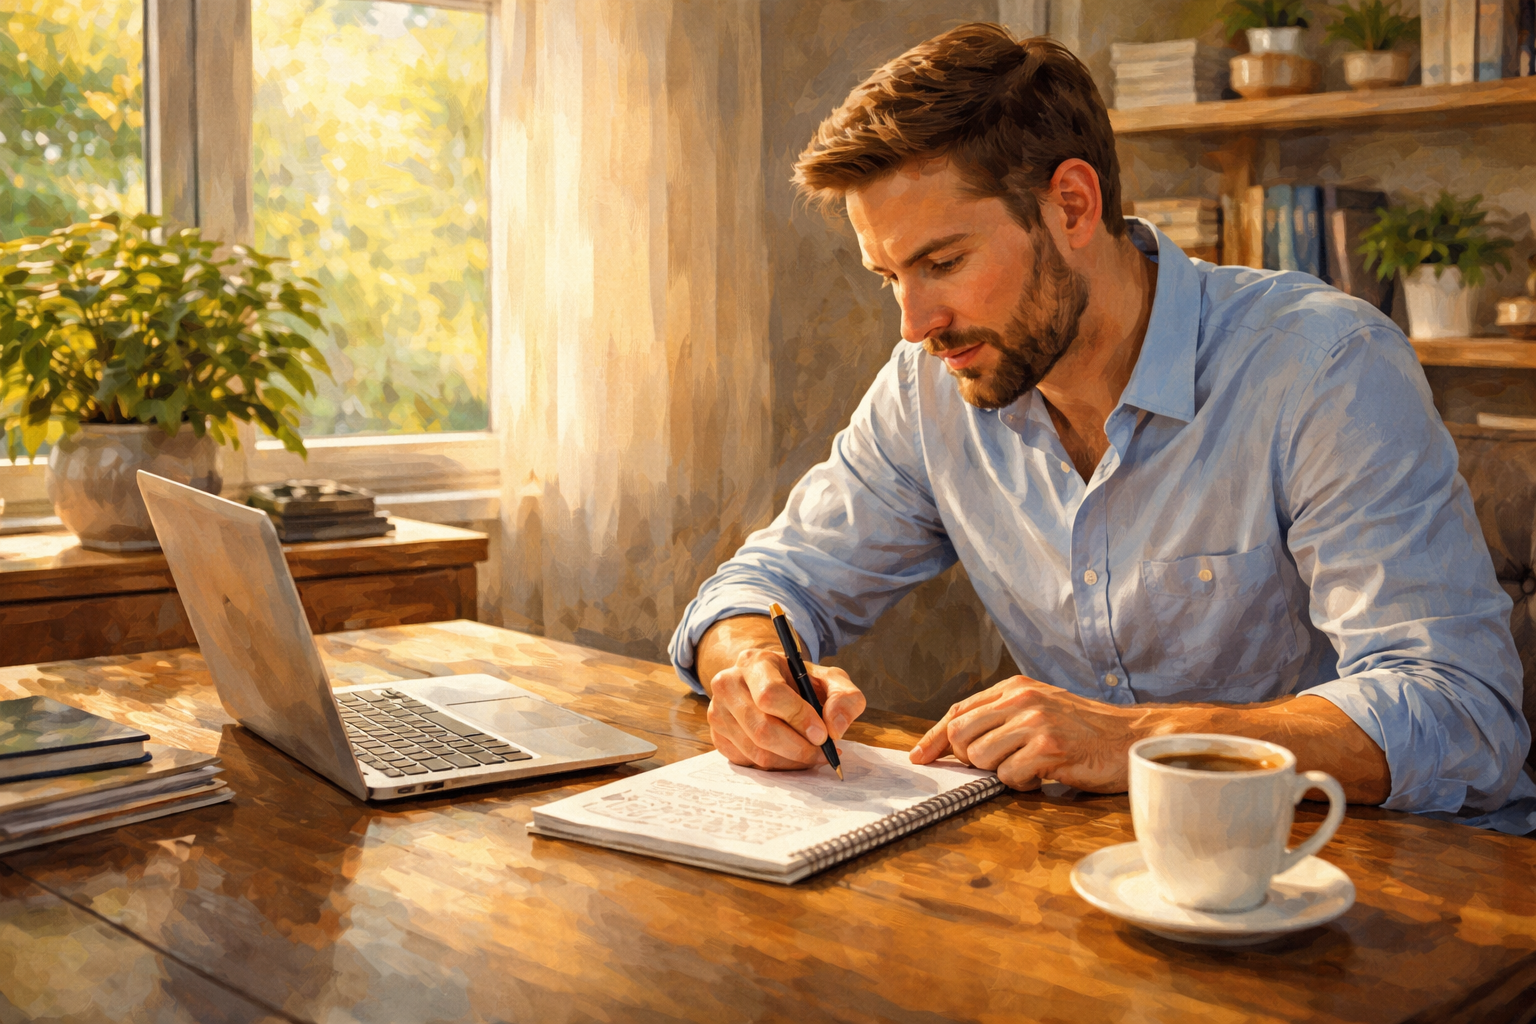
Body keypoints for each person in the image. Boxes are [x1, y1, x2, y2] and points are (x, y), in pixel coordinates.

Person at [667, 24, 1534, 832]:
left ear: (1073, 206)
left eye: (943, 263)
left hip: (1382, 878)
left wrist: (1134, 739)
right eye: (889, 275)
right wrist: (750, 665)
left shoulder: (1323, 368)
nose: (913, 322)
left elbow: (1460, 709)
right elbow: (768, 582)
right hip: (1113, 876)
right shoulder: (930, 387)